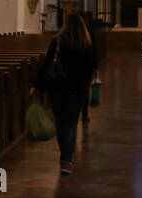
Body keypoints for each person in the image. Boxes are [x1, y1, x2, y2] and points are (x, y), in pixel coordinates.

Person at [31, 13, 99, 174]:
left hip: (57, 88)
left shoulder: (57, 41)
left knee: (61, 124)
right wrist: (86, 83)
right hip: (77, 89)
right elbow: (90, 68)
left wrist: (36, 84)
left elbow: (47, 63)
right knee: (72, 124)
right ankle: (66, 160)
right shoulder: (86, 43)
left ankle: (64, 156)